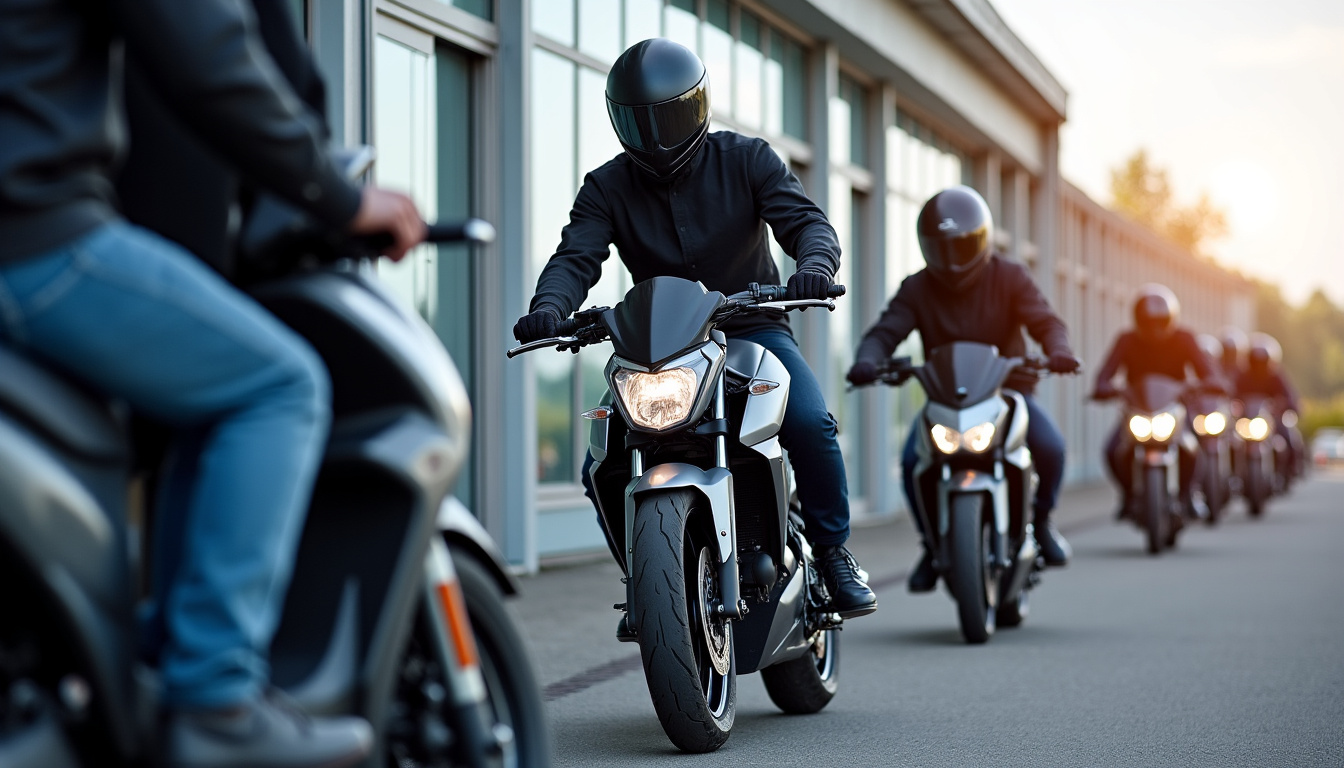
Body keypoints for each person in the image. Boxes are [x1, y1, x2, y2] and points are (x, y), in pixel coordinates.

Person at [0, 2, 424, 767]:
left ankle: (154, 662)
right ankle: (215, 696)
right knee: (281, 384)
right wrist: (342, 195)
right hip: (37, 235)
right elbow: (209, 56)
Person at [512, 38, 876, 620]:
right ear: (618, 119)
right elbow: (575, 256)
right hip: (659, 347)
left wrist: (813, 267)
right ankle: (648, 583)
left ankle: (834, 554)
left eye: (669, 114)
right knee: (600, 462)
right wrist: (548, 306)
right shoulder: (606, 187)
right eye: (639, 120)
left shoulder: (748, 159)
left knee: (809, 421)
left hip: (753, 330)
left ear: (698, 105)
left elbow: (806, 223)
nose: (656, 134)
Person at [847, 185, 1081, 594]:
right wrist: (868, 360)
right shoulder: (917, 287)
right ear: (925, 247)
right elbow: (885, 331)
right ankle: (932, 546)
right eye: (942, 248)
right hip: (945, 399)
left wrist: (1058, 351)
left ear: (983, 239)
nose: (953, 262)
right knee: (910, 462)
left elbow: (1046, 322)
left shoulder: (1010, 276)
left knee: (1051, 448)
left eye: (963, 246)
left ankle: (1041, 525)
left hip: (1008, 393)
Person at [1090, 285, 1222, 518]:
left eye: (1160, 322)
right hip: (1136, 411)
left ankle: (1188, 494)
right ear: (1138, 321)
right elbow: (1105, 374)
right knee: (1113, 450)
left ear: (1171, 319)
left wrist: (1209, 383)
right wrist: (1104, 387)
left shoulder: (1184, 338)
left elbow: (1207, 371)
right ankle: (1129, 495)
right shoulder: (1126, 340)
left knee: (1194, 446)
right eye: (1149, 323)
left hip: (1175, 410)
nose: (1155, 329)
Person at [1236, 333, 1302, 475]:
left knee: (1287, 435)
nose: (1259, 365)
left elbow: (1289, 396)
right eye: (1255, 361)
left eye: (1262, 361)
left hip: (1270, 420)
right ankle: (1233, 474)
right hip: (1247, 420)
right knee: (1232, 439)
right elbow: (1233, 395)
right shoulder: (1243, 377)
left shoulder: (1276, 377)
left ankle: (1290, 469)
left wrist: (1288, 405)